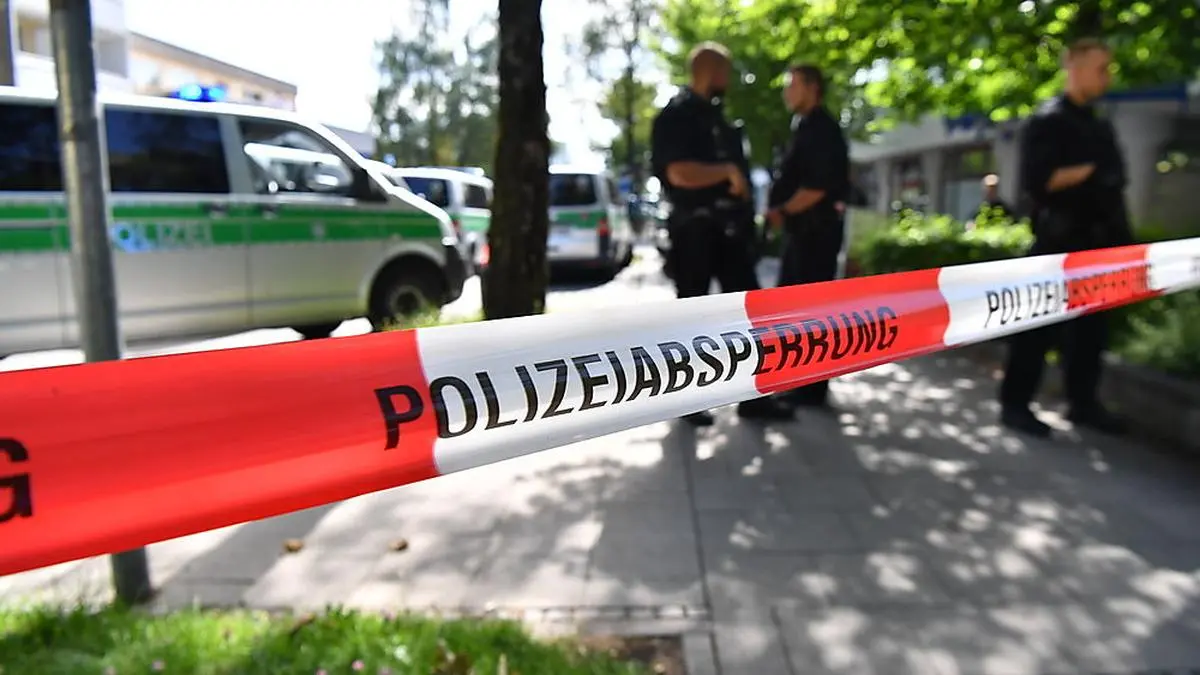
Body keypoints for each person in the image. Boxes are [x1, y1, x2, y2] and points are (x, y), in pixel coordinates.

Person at [650, 41, 794, 426]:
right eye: (725, 71)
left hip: (730, 231)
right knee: (692, 315)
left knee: (749, 313)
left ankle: (753, 396)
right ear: (709, 71)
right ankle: (688, 400)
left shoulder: (717, 118)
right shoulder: (676, 115)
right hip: (695, 229)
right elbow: (679, 172)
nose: (728, 80)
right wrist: (727, 172)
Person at [998, 38, 1133, 438]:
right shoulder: (1049, 121)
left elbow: (1115, 185)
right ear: (1074, 66)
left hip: (1098, 241)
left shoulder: (1100, 125)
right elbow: (1038, 181)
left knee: (1091, 332)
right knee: (1036, 328)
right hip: (1058, 243)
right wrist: (1089, 172)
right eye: (1100, 68)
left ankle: (1083, 402)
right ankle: (1016, 404)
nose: (1107, 77)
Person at [763, 63, 850, 410]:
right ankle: (798, 381)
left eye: (793, 84)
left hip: (815, 235)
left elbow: (816, 187)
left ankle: (809, 388)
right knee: (795, 309)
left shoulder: (822, 131)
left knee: (810, 312)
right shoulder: (805, 127)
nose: (787, 92)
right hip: (803, 233)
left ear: (812, 87)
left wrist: (783, 211)